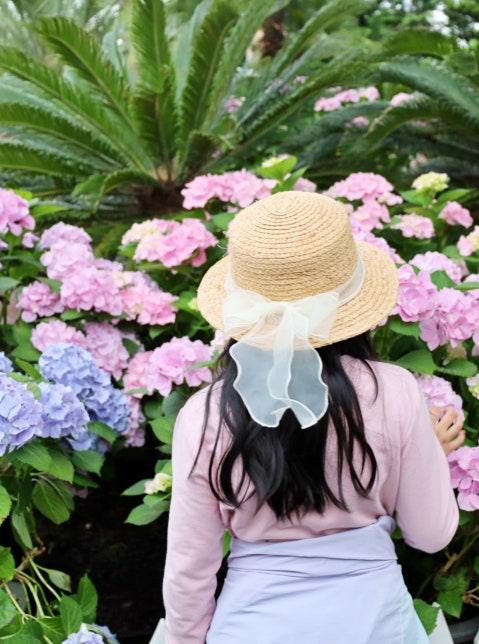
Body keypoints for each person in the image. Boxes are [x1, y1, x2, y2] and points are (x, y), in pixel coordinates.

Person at [162, 191, 461, 643]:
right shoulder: (394, 392)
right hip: (372, 625)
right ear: (353, 304)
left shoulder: (203, 416)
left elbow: (190, 568)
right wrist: (426, 457)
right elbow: (431, 534)